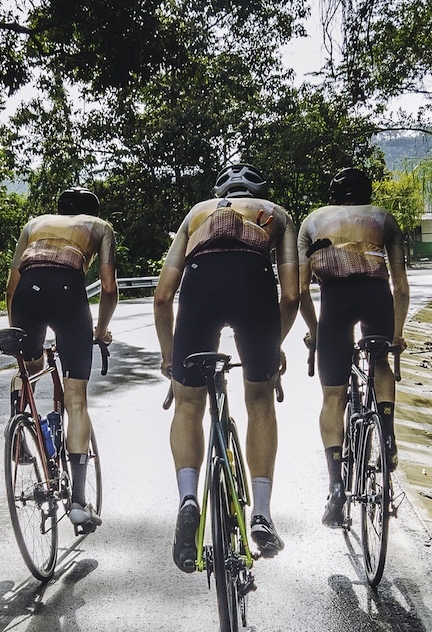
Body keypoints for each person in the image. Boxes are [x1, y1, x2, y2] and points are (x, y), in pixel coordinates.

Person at [153, 162, 301, 570]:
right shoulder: (278, 214)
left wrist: (170, 356)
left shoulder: (196, 212)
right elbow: (291, 296)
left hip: (200, 290)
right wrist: (275, 343)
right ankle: (262, 515)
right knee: (259, 402)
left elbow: (163, 297)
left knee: (188, 406)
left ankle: (187, 499)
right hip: (254, 291)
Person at [296, 167, 410, 527]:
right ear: (368, 193)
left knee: (333, 398)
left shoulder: (312, 221)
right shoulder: (383, 218)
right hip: (377, 297)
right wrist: (397, 335)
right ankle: (387, 437)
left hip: (335, 305)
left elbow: (299, 291)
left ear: (332, 198)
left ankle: (336, 486)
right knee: (380, 366)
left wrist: (315, 333)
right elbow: (401, 287)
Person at [4, 188, 118, 530]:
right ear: (92, 210)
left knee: (30, 366)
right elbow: (109, 288)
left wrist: (18, 332)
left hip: (28, 294)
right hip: (69, 295)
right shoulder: (100, 226)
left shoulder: (34, 223)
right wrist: (100, 330)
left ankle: (19, 416)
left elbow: (11, 287)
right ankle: (79, 503)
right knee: (76, 400)